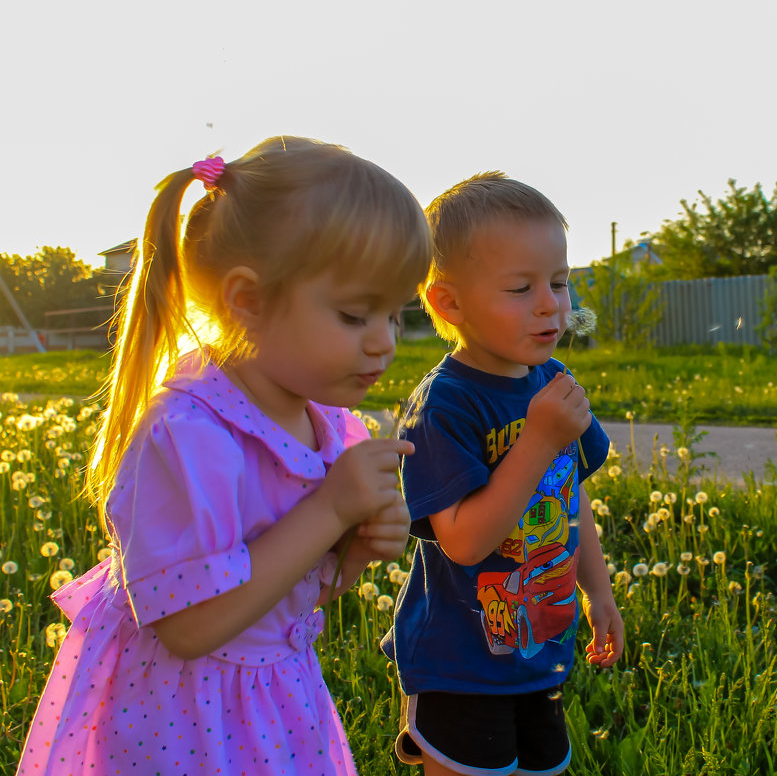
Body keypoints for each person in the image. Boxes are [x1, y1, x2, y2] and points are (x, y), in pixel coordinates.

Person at [16, 136, 431, 775]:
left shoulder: (327, 425)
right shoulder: (188, 435)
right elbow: (190, 628)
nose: (385, 344)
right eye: (354, 315)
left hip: (274, 700)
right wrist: (330, 511)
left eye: (396, 316)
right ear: (248, 300)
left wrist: (353, 550)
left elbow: (292, 599)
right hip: (183, 719)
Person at [372, 172, 624, 776]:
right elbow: (463, 541)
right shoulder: (446, 405)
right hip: (461, 659)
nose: (550, 304)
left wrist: (599, 590)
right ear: (448, 303)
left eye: (560, 283)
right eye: (520, 288)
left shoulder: (551, 381)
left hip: (537, 646)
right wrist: (537, 440)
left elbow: (570, 497)